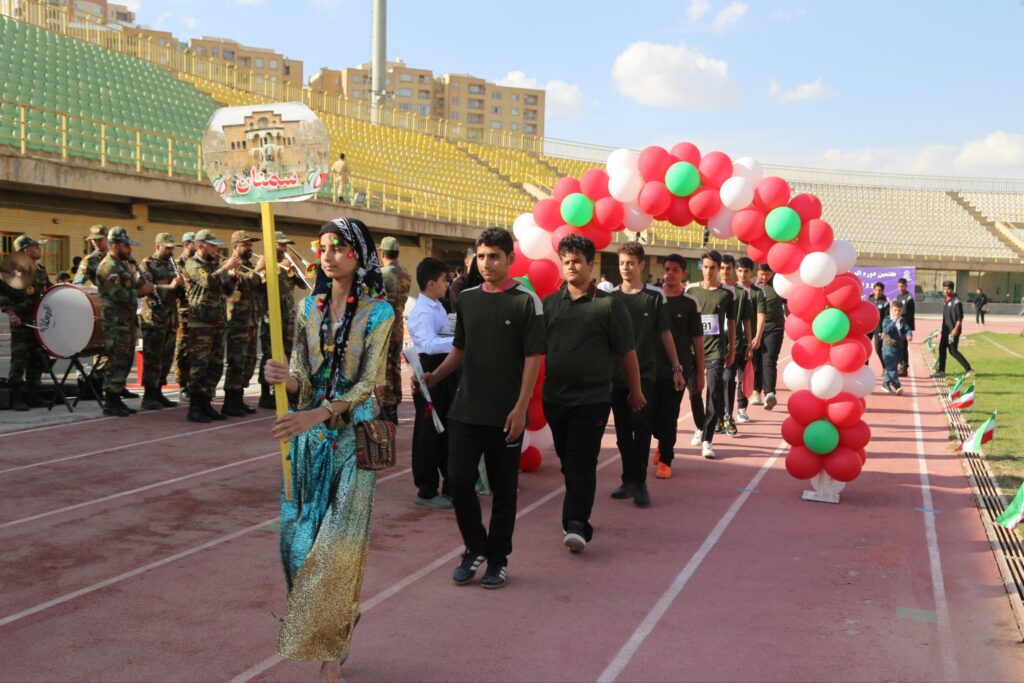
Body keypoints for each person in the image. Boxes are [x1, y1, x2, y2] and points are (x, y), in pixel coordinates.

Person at [264, 217, 394, 680]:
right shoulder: (307, 308)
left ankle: (332, 654)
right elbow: (301, 374)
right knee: (295, 545)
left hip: (353, 441)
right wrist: (285, 378)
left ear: (358, 253)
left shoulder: (379, 313)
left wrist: (319, 413)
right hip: (309, 440)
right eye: (321, 246)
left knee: (338, 549)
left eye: (337, 245)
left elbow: (368, 386)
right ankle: (337, 617)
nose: (327, 253)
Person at [421, 227, 545, 589]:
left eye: (494, 256)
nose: (487, 263)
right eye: (481, 256)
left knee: (504, 490)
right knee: (458, 479)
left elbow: (533, 358)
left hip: (506, 414)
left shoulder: (526, 301)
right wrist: (435, 376)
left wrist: (521, 407)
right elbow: (460, 350)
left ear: (510, 259)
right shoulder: (469, 298)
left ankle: (498, 558)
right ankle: (475, 546)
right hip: (466, 409)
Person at [543, 235, 640, 552]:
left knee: (582, 462)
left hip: (593, 400)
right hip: (554, 399)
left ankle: (576, 525)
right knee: (568, 462)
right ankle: (574, 514)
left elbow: (627, 352)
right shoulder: (549, 304)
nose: (571, 267)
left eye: (577, 261)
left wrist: (635, 391)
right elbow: (533, 352)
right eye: (566, 261)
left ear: (590, 264)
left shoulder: (608, 305)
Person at [610, 241, 684, 505]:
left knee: (641, 425)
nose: (626, 268)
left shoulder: (654, 297)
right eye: (621, 263)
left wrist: (677, 368)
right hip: (615, 376)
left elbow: (665, 333)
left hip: (645, 374)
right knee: (622, 432)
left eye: (630, 263)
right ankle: (627, 479)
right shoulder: (610, 298)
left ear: (641, 264)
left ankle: (640, 482)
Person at [407, 256, 456, 510]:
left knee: (445, 428)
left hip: (442, 370)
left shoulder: (437, 305)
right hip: (429, 370)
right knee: (428, 430)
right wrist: (458, 344)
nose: (447, 285)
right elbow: (427, 344)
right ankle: (426, 488)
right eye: (443, 281)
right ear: (430, 284)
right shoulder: (423, 311)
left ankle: (449, 483)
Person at [651, 254, 704, 479]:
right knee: (650, 415)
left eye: (675, 269)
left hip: (679, 372)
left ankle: (665, 459)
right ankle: (662, 442)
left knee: (670, 414)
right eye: (667, 269)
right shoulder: (653, 298)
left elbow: (698, 340)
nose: (669, 273)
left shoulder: (690, 303)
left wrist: (699, 373)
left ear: (684, 274)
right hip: (651, 367)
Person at [95, 227, 153, 417]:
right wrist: (141, 292)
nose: (130, 250)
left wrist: (141, 281)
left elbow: (129, 286)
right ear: (115, 245)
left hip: (126, 321)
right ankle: (110, 401)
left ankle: (117, 397)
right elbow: (118, 294)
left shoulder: (122, 265)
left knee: (126, 359)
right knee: (116, 360)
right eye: (126, 245)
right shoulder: (108, 266)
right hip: (116, 322)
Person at [184, 229, 240, 423]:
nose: (216, 249)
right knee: (199, 365)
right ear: (201, 246)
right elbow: (207, 281)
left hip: (218, 321)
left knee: (215, 365)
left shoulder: (215, 265)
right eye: (212, 246)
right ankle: (195, 406)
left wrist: (233, 276)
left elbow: (228, 290)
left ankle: (207, 403)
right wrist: (225, 268)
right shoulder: (192, 264)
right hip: (201, 323)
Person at [686, 251, 735, 459]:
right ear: (701, 267)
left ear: (718, 269)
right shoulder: (690, 290)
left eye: (712, 268)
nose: (708, 271)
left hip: (716, 350)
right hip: (691, 351)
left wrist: (732, 349)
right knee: (694, 394)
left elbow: (732, 322)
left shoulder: (727, 294)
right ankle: (700, 426)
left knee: (713, 394)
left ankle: (707, 440)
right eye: (705, 267)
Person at [0, 234, 52, 411]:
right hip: (21, 322)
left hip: (39, 321)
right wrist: (12, 314)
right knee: (19, 359)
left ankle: (34, 394)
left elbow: (49, 290)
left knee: (38, 357)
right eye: (37, 247)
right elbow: (3, 295)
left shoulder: (40, 270)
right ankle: (17, 397)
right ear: (27, 249)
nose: (40, 250)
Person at [258, 232, 308, 409]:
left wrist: (295, 268)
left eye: (286, 245)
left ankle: (283, 391)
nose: (285, 248)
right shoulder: (265, 263)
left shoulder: (288, 265)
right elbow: (258, 285)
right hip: (271, 317)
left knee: (286, 355)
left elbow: (303, 284)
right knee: (270, 355)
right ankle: (266, 394)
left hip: (288, 318)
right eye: (282, 245)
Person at [220, 231, 264, 416]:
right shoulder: (230, 266)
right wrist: (259, 270)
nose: (250, 248)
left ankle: (239, 398)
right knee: (236, 362)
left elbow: (258, 287)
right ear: (235, 246)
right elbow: (243, 283)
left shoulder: (248, 266)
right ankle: (230, 401)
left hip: (250, 320)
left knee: (248, 361)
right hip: (237, 321)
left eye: (251, 245)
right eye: (246, 245)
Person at [139, 233, 183, 410]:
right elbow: (146, 288)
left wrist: (181, 286)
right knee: (153, 358)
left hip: (170, 317)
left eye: (172, 248)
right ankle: (149, 395)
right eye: (167, 248)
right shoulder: (147, 264)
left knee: (166, 357)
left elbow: (177, 292)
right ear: (158, 246)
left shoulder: (173, 265)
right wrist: (169, 287)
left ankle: (159, 391)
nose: (170, 251)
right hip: (154, 318)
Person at [719, 254, 754, 436]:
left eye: (728, 268)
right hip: (713, 344)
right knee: (715, 381)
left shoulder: (741, 293)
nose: (725, 271)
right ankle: (716, 417)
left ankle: (727, 415)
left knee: (728, 378)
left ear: (733, 270)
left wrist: (749, 343)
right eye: (722, 268)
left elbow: (747, 320)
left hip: (735, 343)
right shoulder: (711, 291)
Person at [378, 236, 411, 423]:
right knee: (395, 366)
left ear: (382, 253)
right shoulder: (405, 273)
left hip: (384, 327)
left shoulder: (382, 275)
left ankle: (386, 408)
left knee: (383, 369)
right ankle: (394, 406)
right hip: (398, 324)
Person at [756, 263, 786, 410]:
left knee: (769, 360)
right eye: (762, 274)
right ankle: (756, 391)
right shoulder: (752, 287)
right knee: (756, 362)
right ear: (757, 272)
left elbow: (788, 305)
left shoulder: (779, 286)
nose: (764, 277)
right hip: (755, 330)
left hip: (775, 328)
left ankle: (769, 394)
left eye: (767, 274)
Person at [932, 280, 973, 378]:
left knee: (953, 351)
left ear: (952, 289)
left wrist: (955, 330)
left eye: (948, 289)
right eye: (944, 289)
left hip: (952, 332)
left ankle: (969, 369)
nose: (946, 291)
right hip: (945, 331)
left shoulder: (956, 301)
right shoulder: (946, 299)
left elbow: (960, 318)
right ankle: (942, 371)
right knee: (942, 349)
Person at [174, 232, 196, 400]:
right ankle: (182, 385)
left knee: (196, 351)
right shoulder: (176, 264)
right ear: (188, 244)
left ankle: (193, 384)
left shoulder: (196, 263)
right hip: (183, 314)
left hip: (197, 313)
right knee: (183, 351)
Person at [880, 301, 913, 395]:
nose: (897, 313)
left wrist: (909, 335)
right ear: (891, 310)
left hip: (899, 347)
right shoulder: (887, 320)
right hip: (888, 348)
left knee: (892, 366)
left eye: (899, 310)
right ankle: (897, 386)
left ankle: (885, 384)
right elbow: (886, 330)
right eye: (895, 310)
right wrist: (894, 321)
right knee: (892, 368)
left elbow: (907, 329)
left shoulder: (902, 320)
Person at [894, 277, 915, 377]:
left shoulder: (909, 297)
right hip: (898, 326)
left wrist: (909, 330)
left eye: (902, 286)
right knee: (898, 347)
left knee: (903, 347)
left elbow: (910, 314)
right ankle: (901, 366)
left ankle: (904, 368)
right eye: (899, 286)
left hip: (905, 327)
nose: (900, 288)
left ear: (906, 286)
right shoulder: (898, 297)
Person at [868, 282, 889, 366]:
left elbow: (887, 318)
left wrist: (884, 331)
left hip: (879, 329)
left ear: (883, 291)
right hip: (868, 328)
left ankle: (885, 367)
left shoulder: (885, 303)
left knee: (878, 349)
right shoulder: (869, 300)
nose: (877, 292)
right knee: (865, 348)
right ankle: (865, 366)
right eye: (876, 290)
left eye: (880, 290)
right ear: (873, 290)